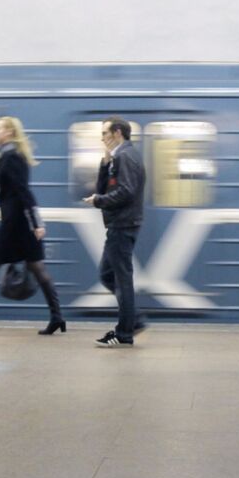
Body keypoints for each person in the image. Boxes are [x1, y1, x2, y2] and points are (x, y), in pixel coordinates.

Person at [0, 116, 64, 333]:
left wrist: (36, 223)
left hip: (15, 225)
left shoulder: (11, 157)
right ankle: (57, 317)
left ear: (9, 133)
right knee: (37, 268)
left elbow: (24, 191)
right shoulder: (9, 156)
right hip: (16, 223)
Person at [81, 116, 146, 347]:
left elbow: (126, 192)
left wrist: (98, 200)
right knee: (108, 275)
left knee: (121, 278)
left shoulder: (126, 156)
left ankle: (125, 332)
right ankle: (133, 320)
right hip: (120, 224)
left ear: (117, 132)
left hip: (123, 223)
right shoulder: (118, 156)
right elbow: (104, 187)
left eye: (105, 133)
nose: (102, 138)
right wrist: (104, 163)